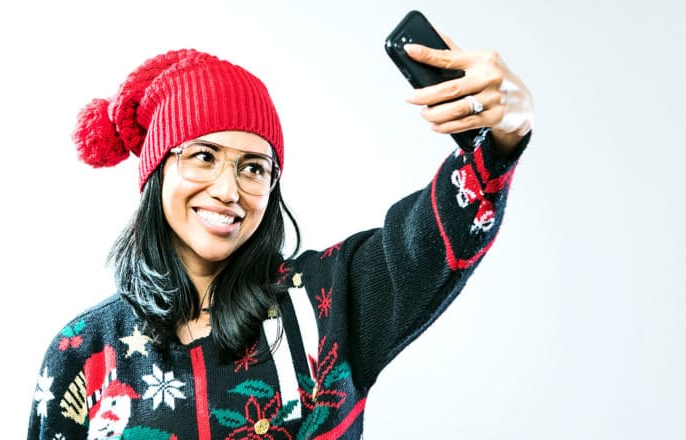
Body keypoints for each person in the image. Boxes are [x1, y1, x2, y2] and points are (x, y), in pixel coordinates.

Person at [27, 34, 533, 439]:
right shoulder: (85, 352)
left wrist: (504, 131)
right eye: (203, 156)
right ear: (158, 171)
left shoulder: (329, 301)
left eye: (253, 167)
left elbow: (433, 240)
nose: (228, 190)